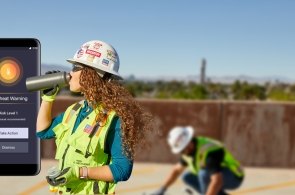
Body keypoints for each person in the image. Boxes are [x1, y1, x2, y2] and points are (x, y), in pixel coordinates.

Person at [36, 40, 152, 194]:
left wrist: (79, 172)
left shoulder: (114, 118)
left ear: (93, 75)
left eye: (76, 68)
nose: (70, 74)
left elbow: (121, 170)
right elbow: (42, 132)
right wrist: (48, 98)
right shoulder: (75, 110)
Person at [151, 126, 244, 195]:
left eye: (183, 149)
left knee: (203, 174)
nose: (182, 152)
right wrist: (162, 189)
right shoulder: (188, 151)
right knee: (187, 177)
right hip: (217, 176)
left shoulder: (209, 151)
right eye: (181, 150)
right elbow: (177, 170)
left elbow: (217, 180)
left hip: (233, 176)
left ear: (189, 142)